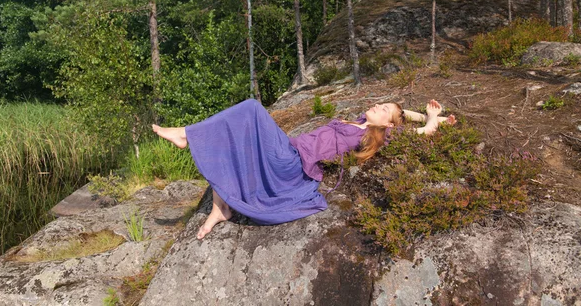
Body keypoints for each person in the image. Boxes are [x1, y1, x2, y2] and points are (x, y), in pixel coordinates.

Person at [152, 98, 455, 239]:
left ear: (389, 124)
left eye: (383, 110)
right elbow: (402, 113)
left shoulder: (378, 136)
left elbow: (418, 132)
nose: (376, 105)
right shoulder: (358, 121)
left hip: (292, 162)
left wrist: (431, 121)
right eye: (380, 103)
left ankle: (185, 134)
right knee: (241, 137)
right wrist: (433, 115)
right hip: (289, 149)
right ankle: (221, 208)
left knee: (251, 110)